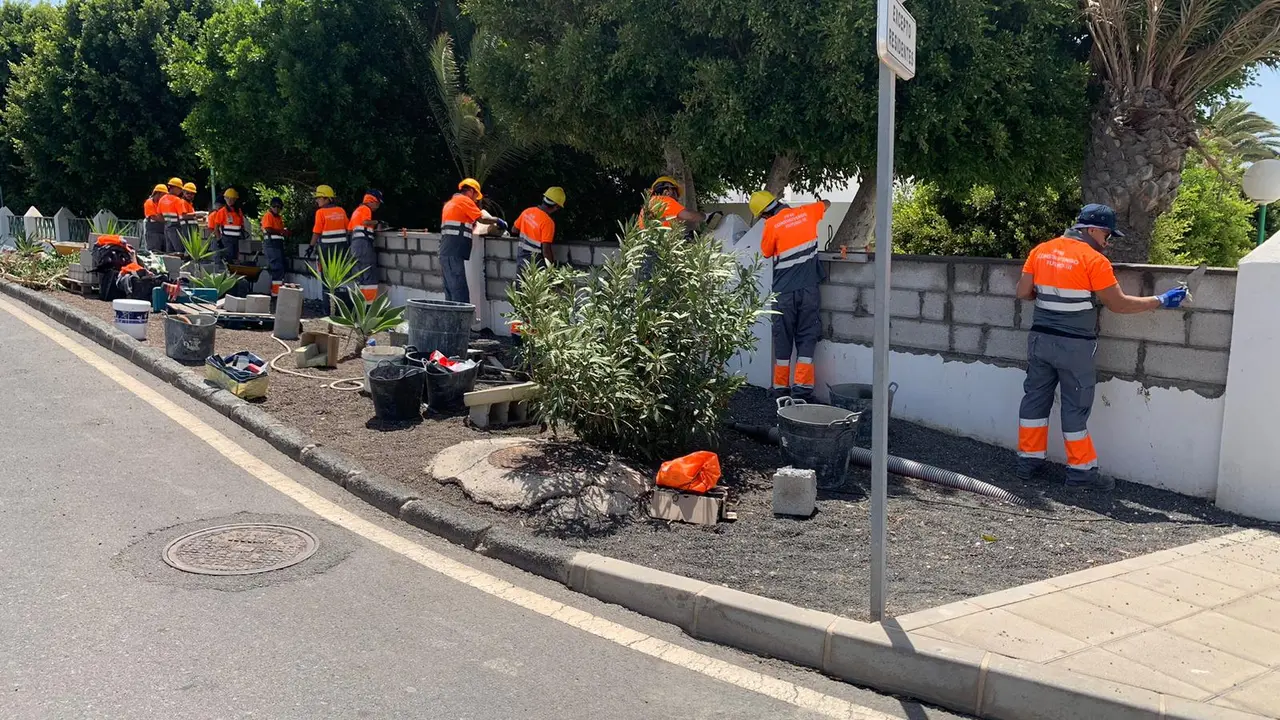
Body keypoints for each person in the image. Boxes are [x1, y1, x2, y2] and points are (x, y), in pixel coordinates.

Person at [1015, 204, 1188, 491]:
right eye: (1107, 235)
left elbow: (1023, 292)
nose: (1108, 242)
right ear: (1091, 230)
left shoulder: (1041, 250)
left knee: (1034, 400)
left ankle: (1028, 463)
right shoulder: (1093, 260)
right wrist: (1161, 300)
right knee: (1075, 407)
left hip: (1040, 340)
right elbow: (1117, 304)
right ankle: (1081, 473)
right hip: (1075, 346)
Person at [750, 190, 830, 401]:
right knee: (807, 337)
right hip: (809, 290)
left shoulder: (771, 225)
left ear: (764, 214)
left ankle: (780, 391)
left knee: (782, 338)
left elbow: (767, 252)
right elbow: (826, 203)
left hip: (783, 292)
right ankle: (802, 391)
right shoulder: (808, 212)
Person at [440, 178, 505, 303]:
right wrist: (498, 221)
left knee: (451, 293)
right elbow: (482, 219)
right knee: (460, 292)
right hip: (454, 252)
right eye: (476, 196)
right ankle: (462, 321)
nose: (476, 200)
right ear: (470, 191)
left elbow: (463, 224)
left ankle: (451, 321)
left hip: (446, 252)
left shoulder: (451, 203)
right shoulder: (464, 200)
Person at [512, 186, 564, 275]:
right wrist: (551, 270)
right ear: (556, 206)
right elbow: (546, 250)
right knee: (536, 289)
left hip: (521, 260)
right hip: (535, 265)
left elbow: (514, 230)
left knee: (520, 288)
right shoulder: (548, 222)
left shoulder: (527, 211)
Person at [638, 176, 718, 231]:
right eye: (676, 194)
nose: (677, 198)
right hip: (657, 250)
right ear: (667, 191)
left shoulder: (648, 205)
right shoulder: (664, 201)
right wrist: (707, 217)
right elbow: (690, 215)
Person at [348, 189, 383, 301]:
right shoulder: (366, 209)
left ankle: (359, 304)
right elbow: (365, 222)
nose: (377, 207)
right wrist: (378, 222)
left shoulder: (357, 211)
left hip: (354, 246)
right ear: (372, 201)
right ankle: (369, 305)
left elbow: (350, 230)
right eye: (377, 204)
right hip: (364, 246)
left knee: (359, 276)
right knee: (369, 273)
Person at [309, 184, 350, 265]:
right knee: (341, 275)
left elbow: (316, 232)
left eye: (318, 198)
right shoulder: (341, 210)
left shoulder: (320, 212)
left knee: (327, 276)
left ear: (327, 199)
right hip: (342, 249)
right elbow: (349, 229)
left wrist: (311, 246)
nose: (316, 200)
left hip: (326, 250)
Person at [206, 188, 246, 265]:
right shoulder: (222, 212)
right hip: (226, 239)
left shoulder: (238, 211)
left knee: (235, 259)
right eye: (228, 198)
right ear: (225, 198)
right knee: (228, 259)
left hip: (236, 239)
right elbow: (216, 228)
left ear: (235, 199)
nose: (230, 200)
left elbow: (241, 225)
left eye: (232, 199)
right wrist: (219, 240)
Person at [260, 197, 289, 297]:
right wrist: (281, 231)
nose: (276, 208)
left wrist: (284, 232)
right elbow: (268, 229)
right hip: (271, 245)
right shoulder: (268, 216)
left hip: (277, 245)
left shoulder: (278, 218)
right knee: (276, 268)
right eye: (274, 206)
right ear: (271, 206)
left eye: (278, 206)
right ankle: (276, 293)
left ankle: (277, 292)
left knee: (280, 268)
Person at [157, 177, 187, 254]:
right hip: (176, 228)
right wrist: (196, 215)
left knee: (170, 252)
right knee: (179, 251)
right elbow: (183, 216)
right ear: (173, 188)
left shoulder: (162, 199)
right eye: (179, 188)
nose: (181, 191)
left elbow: (159, 216)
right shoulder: (177, 200)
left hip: (167, 228)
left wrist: (168, 221)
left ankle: (171, 266)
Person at [142, 184, 167, 253]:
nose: (165, 197)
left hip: (162, 231)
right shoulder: (149, 202)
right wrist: (167, 220)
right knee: (154, 252)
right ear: (158, 193)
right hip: (153, 232)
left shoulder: (162, 203)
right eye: (163, 195)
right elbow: (153, 217)